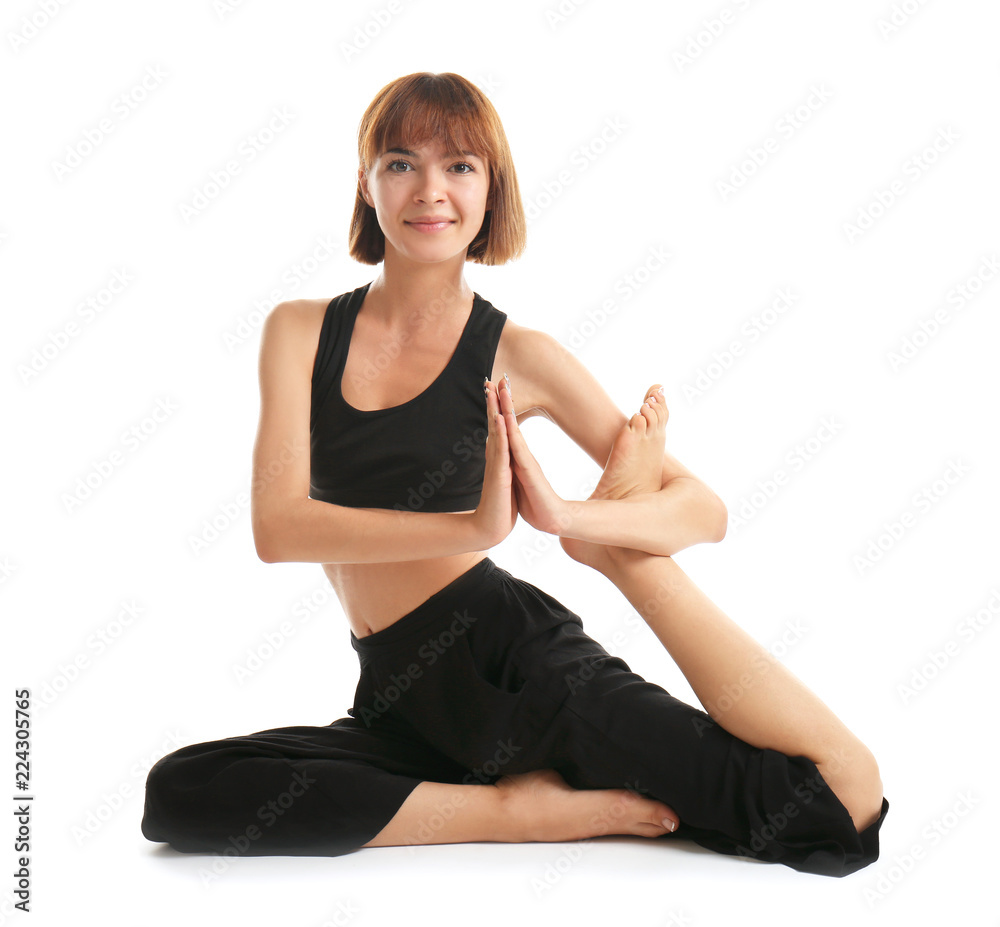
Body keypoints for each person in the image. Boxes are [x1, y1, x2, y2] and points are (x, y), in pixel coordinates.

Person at [140, 72, 888, 877]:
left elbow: (703, 509)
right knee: (181, 790)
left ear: (492, 191)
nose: (431, 190)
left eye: (460, 166)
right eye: (401, 163)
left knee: (838, 798)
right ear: (366, 183)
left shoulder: (520, 356)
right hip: (398, 697)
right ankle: (508, 808)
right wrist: (469, 527)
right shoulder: (300, 331)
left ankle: (536, 739)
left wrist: (577, 522)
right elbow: (277, 528)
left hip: (518, 670)